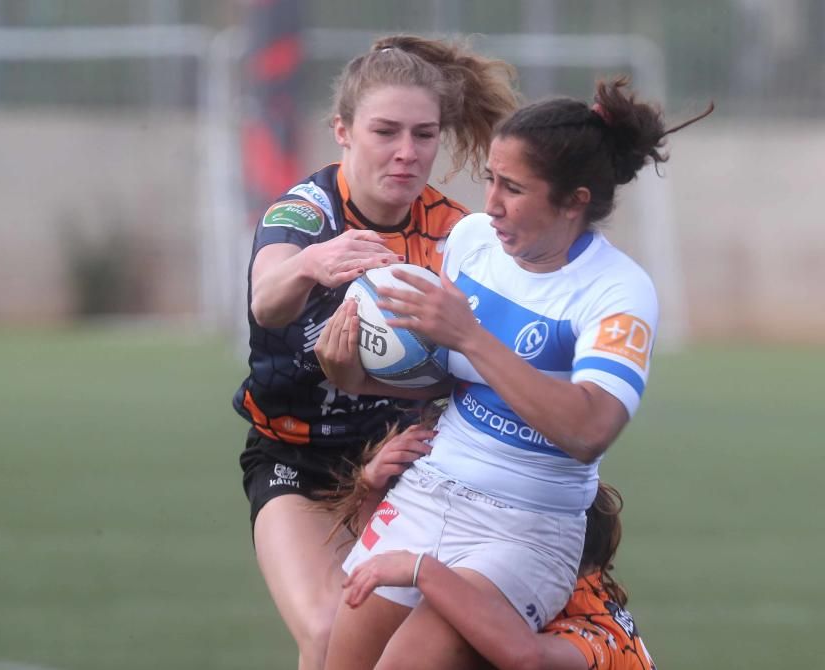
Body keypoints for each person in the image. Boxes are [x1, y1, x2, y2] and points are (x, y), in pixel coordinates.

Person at [317, 78, 712, 670]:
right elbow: (452, 378)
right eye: (490, 180)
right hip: (429, 490)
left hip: (525, 528)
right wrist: (355, 375)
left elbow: (589, 430)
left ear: (574, 200)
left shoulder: (617, 291)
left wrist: (470, 334)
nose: (492, 203)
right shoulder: (473, 243)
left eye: (514, 188)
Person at [231, 34, 518, 670]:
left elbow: (476, 370)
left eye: (424, 134)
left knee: (434, 645)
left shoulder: (457, 235)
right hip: (297, 463)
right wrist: (314, 263)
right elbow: (267, 300)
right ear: (342, 130)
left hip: (408, 469)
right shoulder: (307, 214)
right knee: (331, 629)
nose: (407, 153)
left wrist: (374, 389)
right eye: (386, 131)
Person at [327, 428, 654, 670]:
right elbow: (387, 575)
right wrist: (370, 487)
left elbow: (526, 657)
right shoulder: (524, 597)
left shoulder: (601, 636)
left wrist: (422, 569)